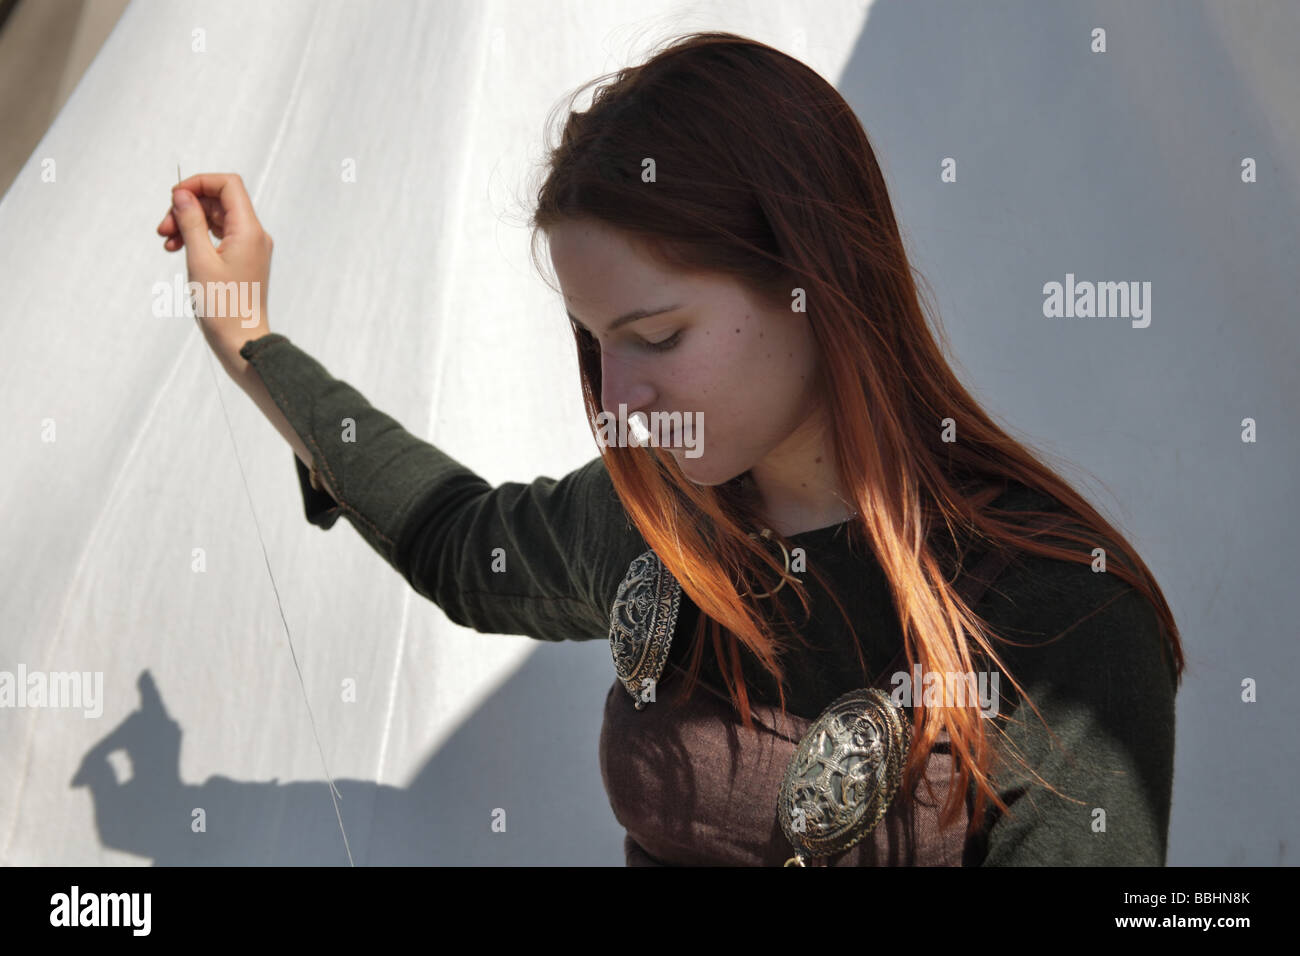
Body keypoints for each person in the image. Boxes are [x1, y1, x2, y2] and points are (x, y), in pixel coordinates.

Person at [155, 31, 1182, 866]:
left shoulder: (1059, 614)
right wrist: (248, 336)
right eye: (594, 345)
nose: (617, 398)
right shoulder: (657, 520)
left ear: (813, 279)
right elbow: (456, 543)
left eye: (655, 337)